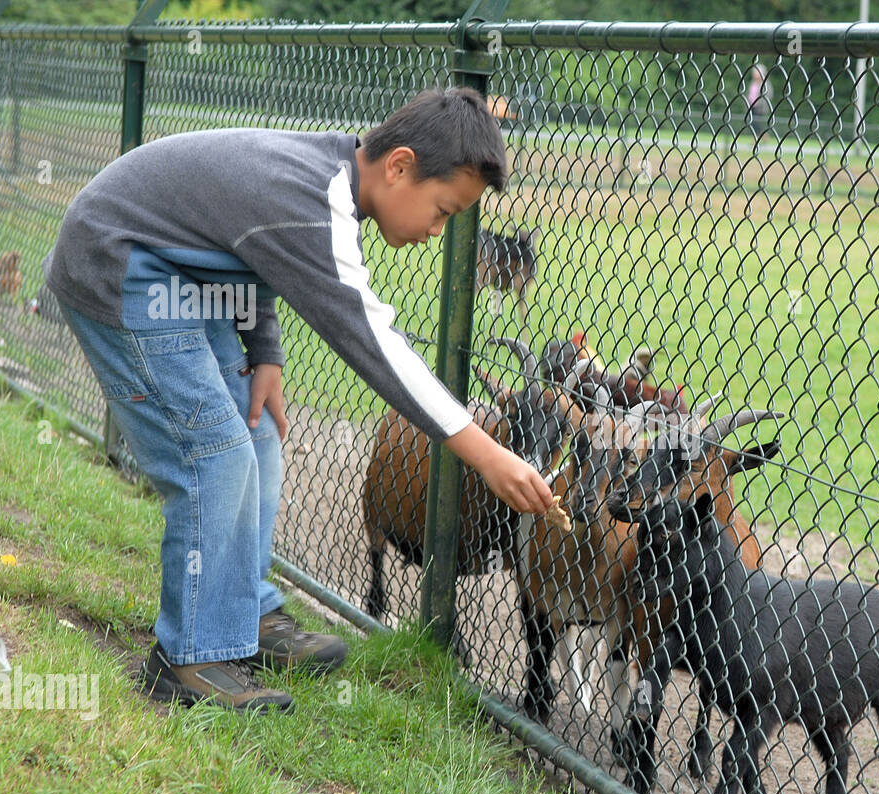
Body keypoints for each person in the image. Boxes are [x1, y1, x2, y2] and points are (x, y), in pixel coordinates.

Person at [41, 87, 554, 714]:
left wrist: (267, 355)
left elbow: (243, 247)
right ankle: (189, 659)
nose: (437, 230)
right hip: (118, 269)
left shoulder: (324, 179)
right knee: (214, 457)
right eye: (443, 209)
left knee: (256, 435)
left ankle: (244, 618)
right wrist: (485, 452)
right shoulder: (317, 202)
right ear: (399, 166)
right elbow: (373, 341)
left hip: (178, 277)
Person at [747, 63, 772, 146]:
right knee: (754, 124)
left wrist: (760, 104)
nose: (754, 74)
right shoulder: (753, 83)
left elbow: (768, 95)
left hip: (760, 108)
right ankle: (763, 138)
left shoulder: (765, 83)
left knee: (757, 124)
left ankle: (757, 140)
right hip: (752, 107)